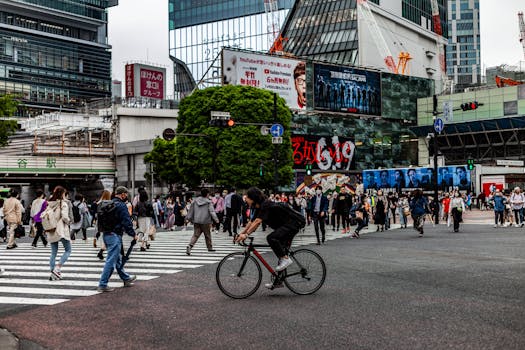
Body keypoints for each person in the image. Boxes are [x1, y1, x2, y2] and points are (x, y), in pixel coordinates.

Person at [235, 187, 304, 289]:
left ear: (253, 198)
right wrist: (241, 233)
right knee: (280, 251)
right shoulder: (258, 207)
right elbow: (252, 222)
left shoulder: (265, 205)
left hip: (293, 223)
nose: (245, 200)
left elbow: (258, 222)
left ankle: (285, 259)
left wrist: (246, 235)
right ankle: (278, 281)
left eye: (247, 198)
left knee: (271, 238)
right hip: (285, 226)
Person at [97, 186, 138, 292]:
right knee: (111, 260)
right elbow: (126, 221)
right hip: (115, 235)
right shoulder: (121, 205)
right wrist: (133, 234)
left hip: (107, 234)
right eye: (126, 194)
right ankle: (103, 284)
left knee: (118, 259)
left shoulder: (109, 204)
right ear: (123, 194)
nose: (126, 196)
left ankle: (126, 278)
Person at [45, 186, 72, 280]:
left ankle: (52, 272)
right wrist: (69, 222)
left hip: (51, 229)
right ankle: (57, 268)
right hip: (61, 230)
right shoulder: (63, 204)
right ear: (62, 194)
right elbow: (65, 217)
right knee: (68, 250)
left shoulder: (49, 204)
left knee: (53, 252)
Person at [185, 189, 219, 255]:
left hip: (196, 220)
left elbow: (191, 210)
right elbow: (212, 212)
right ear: (207, 194)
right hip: (205, 221)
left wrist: (188, 218)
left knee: (195, 235)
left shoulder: (195, 201)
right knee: (207, 235)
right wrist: (216, 219)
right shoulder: (208, 202)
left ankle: (190, 246)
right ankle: (209, 248)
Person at [95, 190, 111, 260]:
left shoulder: (99, 203)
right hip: (107, 222)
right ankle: (101, 251)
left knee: (104, 237)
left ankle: (101, 251)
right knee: (107, 238)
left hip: (100, 222)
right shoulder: (108, 203)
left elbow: (98, 214)